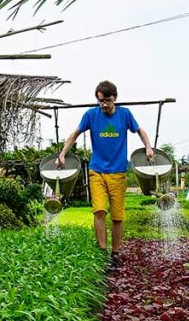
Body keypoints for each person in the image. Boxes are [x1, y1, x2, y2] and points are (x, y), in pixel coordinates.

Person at [57, 80, 154, 268]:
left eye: (108, 101)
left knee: (117, 217)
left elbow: (140, 131)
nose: (104, 105)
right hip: (97, 171)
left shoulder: (125, 115)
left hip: (118, 173)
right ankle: (102, 252)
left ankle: (115, 253)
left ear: (115, 99)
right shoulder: (91, 115)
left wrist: (148, 146)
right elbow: (74, 134)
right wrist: (62, 153)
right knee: (99, 210)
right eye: (100, 101)